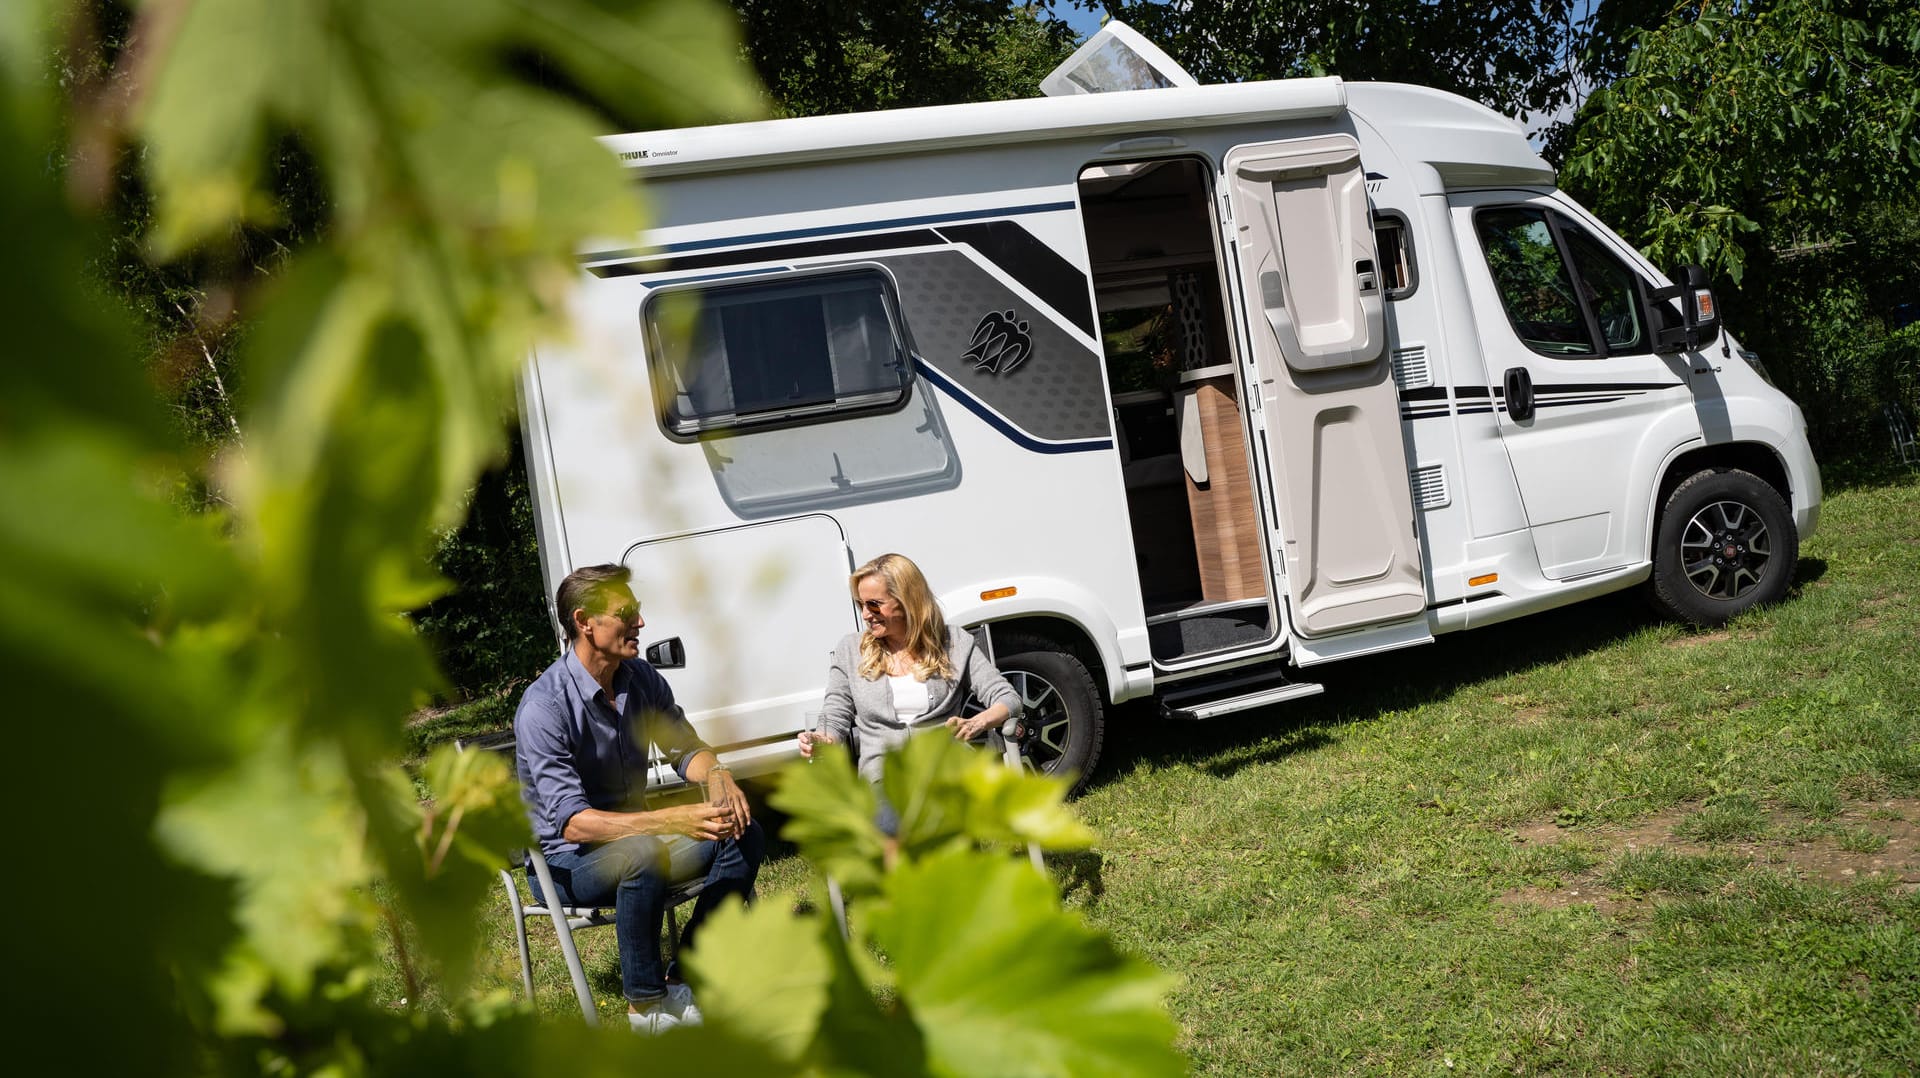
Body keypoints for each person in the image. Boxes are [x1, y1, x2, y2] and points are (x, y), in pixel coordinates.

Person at [514, 564, 763, 1034]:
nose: (641, 624)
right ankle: (646, 1009)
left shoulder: (642, 679)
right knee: (642, 852)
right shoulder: (544, 707)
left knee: (741, 829)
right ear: (585, 621)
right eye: (625, 614)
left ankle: (685, 977)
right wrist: (670, 820)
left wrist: (719, 776)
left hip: (637, 848)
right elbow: (573, 824)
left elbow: (686, 748)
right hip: (567, 866)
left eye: (638, 612)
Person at [796, 553, 1023, 832]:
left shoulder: (953, 643)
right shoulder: (851, 651)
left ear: (906, 601)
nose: (866, 614)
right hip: (883, 778)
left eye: (874, 605)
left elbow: (1008, 698)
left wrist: (978, 722)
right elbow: (836, 711)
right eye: (861, 605)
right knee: (896, 823)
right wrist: (823, 737)